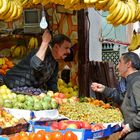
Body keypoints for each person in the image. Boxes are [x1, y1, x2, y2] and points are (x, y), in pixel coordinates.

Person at [3, 29, 71, 92]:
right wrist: (45, 42)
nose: (69, 51)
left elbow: (51, 83)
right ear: (56, 47)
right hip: (11, 86)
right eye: (66, 48)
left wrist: (57, 95)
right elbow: (35, 65)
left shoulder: (55, 63)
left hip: (27, 91)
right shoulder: (40, 53)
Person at [91, 52, 140, 140]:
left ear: (128, 64)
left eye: (120, 62)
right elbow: (123, 98)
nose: (117, 66)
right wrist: (104, 89)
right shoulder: (131, 80)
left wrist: (130, 126)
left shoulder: (137, 82)